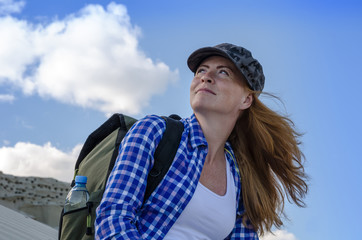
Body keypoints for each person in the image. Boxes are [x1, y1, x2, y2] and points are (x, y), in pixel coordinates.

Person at [94, 43, 308, 239]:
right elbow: (113, 219)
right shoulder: (153, 132)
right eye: (201, 70)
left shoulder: (241, 177)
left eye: (223, 72)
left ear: (246, 99)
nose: (205, 77)